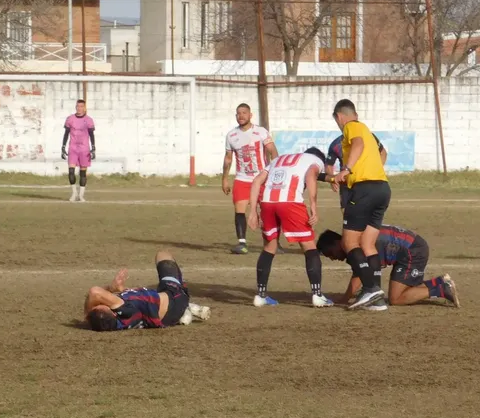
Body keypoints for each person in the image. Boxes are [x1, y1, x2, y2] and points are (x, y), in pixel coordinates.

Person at [246, 148, 334, 308]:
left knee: (269, 247)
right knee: (309, 246)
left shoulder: (278, 160)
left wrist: (252, 211)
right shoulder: (316, 161)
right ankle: (317, 295)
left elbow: (257, 180)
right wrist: (313, 205)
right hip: (290, 202)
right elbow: (311, 176)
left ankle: (261, 296)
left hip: (267, 202)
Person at [328, 98, 392, 310]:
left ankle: (371, 289)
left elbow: (357, 144)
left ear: (340, 117)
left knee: (349, 243)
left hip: (365, 191)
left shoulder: (352, 127)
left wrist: (346, 169)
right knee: (367, 244)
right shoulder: (367, 130)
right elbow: (378, 153)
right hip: (382, 189)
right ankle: (377, 299)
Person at [317, 227, 460, 308]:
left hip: (412, 250)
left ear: (337, 242)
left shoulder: (353, 245)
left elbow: (359, 275)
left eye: (330, 253)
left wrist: (344, 299)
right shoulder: (354, 238)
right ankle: (439, 282)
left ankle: (441, 289)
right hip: (410, 247)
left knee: (396, 298)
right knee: (403, 291)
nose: (332, 258)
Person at [85, 251, 211, 331]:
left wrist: (120, 290)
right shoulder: (124, 309)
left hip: (166, 316)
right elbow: (94, 292)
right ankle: (186, 307)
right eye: (101, 304)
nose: (99, 302)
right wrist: (111, 288)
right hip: (175, 297)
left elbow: (90, 313)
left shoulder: (115, 323)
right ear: (113, 313)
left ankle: (184, 313)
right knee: (163, 255)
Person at [222, 103, 277, 254]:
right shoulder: (231, 135)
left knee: (268, 209)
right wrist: (225, 179)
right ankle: (242, 243)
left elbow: (272, 151)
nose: (241, 116)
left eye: (244, 113)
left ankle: (272, 243)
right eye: (238, 113)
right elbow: (228, 159)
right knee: (239, 210)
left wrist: (273, 171)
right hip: (242, 179)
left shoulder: (260, 132)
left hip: (261, 178)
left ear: (250, 115)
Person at [326, 132, 387, 214]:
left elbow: (383, 153)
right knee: (346, 211)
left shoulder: (368, 137)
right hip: (346, 182)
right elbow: (329, 165)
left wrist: (377, 169)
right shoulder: (336, 144)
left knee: (366, 211)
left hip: (365, 180)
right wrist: (332, 179)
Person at [61, 99, 94, 202]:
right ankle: (74, 193)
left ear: (84, 108)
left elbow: (91, 134)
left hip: (84, 149)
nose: (79, 108)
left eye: (81, 106)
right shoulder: (70, 119)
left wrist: (93, 147)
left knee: (83, 173)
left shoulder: (89, 120)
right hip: (73, 148)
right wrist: (63, 146)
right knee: (71, 172)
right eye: (77, 106)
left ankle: (81, 195)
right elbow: (66, 133)